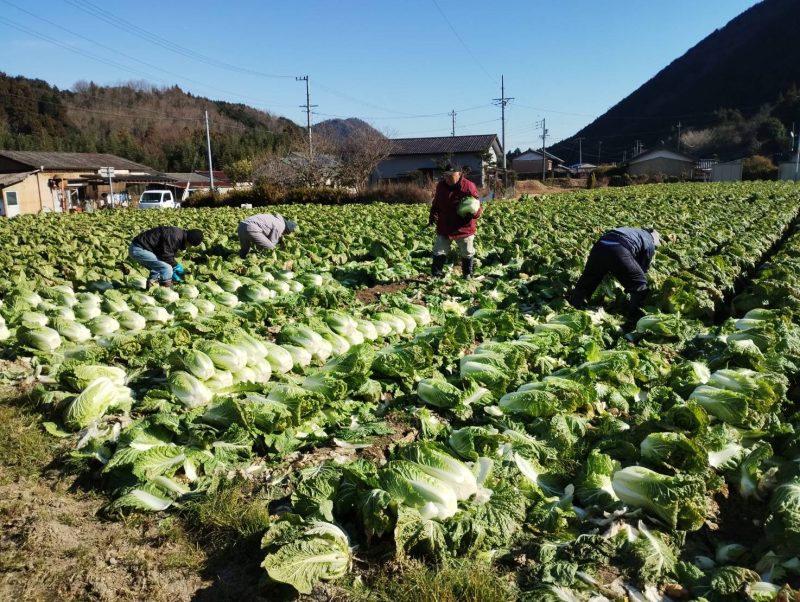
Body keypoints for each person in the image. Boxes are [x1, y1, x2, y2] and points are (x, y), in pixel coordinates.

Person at [569, 227, 661, 317]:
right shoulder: (649, 241)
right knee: (639, 284)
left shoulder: (633, 231)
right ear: (654, 239)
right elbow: (641, 269)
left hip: (600, 246)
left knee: (588, 280)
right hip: (618, 249)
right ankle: (633, 318)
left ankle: (574, 308)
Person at [428, 165, 482, 279]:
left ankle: (467, 274)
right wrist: (433, 215)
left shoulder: (468, 186)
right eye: (445, 175)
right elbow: (436, 203)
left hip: (463, 226)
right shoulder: (441, 186)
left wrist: (473, 214)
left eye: (450, 175)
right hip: (445, 225)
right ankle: (436, 275)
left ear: (459, 174)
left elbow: (476, 205)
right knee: (439, 250)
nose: (447, 178)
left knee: (467, 251)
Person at [129, 226, 204, 288]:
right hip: (138, 249)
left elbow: (165, 254)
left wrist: (174, 267)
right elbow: (166, 256)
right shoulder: (175, 236)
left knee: (159, 268)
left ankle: (151, 287)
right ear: (189, 240)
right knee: (166, 268)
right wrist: (176, 266)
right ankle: (168, 290)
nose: (189, 246)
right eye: (190, 244)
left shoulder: (179, 235)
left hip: (143, 248)